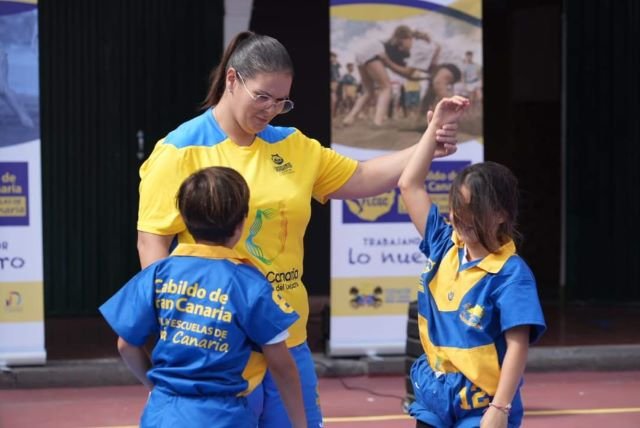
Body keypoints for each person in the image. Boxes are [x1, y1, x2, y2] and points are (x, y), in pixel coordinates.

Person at [136, 31, 459, 428]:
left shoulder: (292, 145)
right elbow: (153, 239)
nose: (271, 109)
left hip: (287, 337)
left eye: (281, 101)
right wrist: (170, 323)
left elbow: (362, 177)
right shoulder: (180, 150)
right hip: (217, 345)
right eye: (262, 96)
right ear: (232, 80)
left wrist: (428, 143)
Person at [100, 166, 306, 428]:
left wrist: (156, 387)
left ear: (184, 220)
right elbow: (283, 367)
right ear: (241, 224)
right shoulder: (250, 284)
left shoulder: (157, 274)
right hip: (224, 417)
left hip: (162, 414)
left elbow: (125, 345)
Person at [398, 96, 547, 428]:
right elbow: (409, 184)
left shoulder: (511, 275)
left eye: (471, 210)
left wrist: (500, 408)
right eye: (455, 207)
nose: (458, 217)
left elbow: (517, 346)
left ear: (500, 215)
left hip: (480, 407)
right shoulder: (442, 245)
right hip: (435, 399)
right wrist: (434, 128)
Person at [342, 25, 435, 127]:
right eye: (400, 43)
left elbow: (406, 74)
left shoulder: (404, 50)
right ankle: (378, 122)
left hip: (363, 54)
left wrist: (424, 78)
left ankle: (350, 118)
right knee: (386, 88)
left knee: (368, 91)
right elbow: (406, 72)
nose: (401, 47)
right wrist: (387, 61)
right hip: (374, 51)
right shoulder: (405, 50)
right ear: (409, 38)